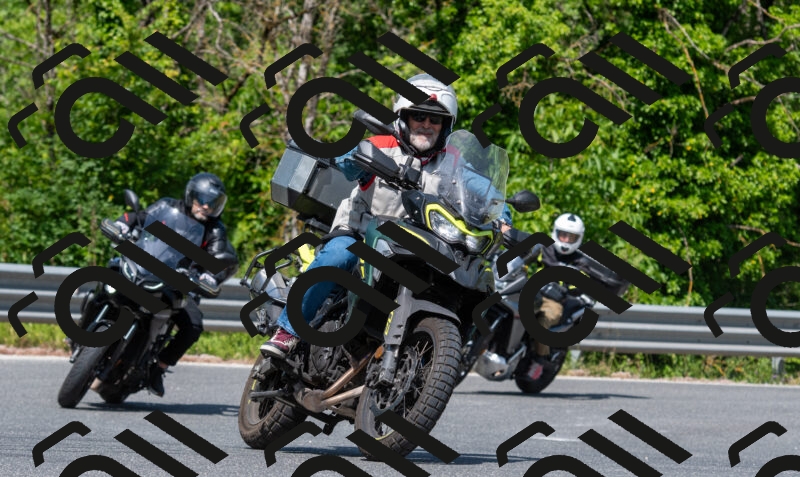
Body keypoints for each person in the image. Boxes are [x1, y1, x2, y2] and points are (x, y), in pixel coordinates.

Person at [262, 74, 512, 357]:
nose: (426, 124)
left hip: (418, 244)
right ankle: (289, 331)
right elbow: (347, 160)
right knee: (337, 257)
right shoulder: (382, 143)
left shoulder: (453, 160)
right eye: (419, 116)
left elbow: (487, 191)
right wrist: (362, 160)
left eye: (435, 119)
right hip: (361, 233)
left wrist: (502, 219)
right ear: (404, 117)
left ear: (446, 125)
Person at [109, 173, 238, 395]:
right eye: (202, 200)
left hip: (177, 282)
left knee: (193, 326)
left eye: (212, 203)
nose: (206, 206)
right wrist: (123, 224)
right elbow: (140, 217)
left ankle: (159, 368)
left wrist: (209, 276)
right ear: (190, 196)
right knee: (111, 270)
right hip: (144, 263)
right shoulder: (167, 206)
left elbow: (216, 259)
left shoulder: (215, 230)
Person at [532, 213, 628, 356]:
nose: (566, 240)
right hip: (533, 293)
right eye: (563, 235)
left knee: (542, 321)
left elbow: (581, 285)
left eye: (571, 237)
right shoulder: (544, 249)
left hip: (555, 302)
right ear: (555, 232)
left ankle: (540, 359)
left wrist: (566, 287)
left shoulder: (581, 261)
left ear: (579, 238)